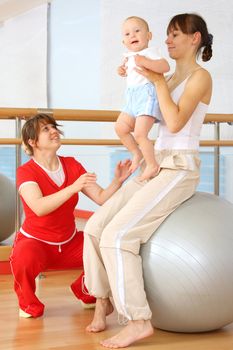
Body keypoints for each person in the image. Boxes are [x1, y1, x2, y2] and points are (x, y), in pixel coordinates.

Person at [83, 12, 213, 348]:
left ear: (194, 38)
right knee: (96, 227)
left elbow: (173, 122)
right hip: (156, 165)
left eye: (174, 35)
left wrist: (155, 81)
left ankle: (139, 321)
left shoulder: (199, 77)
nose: (167, 41)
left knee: (117, 235)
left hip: (179, 168)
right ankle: (103, 300)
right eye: (167, 35)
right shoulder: (166, 80)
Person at [10, 113, 132, 319]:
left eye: (54, 127)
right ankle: (28, 304)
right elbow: (39, 207)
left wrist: (117, 181)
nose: (54, 131)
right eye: (46, 129)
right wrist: (73, 187)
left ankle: (85, 291)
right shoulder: (26, 171)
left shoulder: (72, 165)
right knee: (22, 258)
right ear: (33, 142)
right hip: (35, 242)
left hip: (68, 241)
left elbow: (101, 198)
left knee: (103, 247)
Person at [115, 16, 170, 181]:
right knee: (120, 128)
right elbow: (130, 71)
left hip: (147, 95)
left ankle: (152, 165)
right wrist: (122, 70)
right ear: (124, 42)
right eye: (127, 34)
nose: (132, 35)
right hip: (131, 97)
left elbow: (165, 67)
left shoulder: (149, 52)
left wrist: (145, 61)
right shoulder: (129, 56)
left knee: (140, 134)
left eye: (137, 31)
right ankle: (136, 153)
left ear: (149, 36)